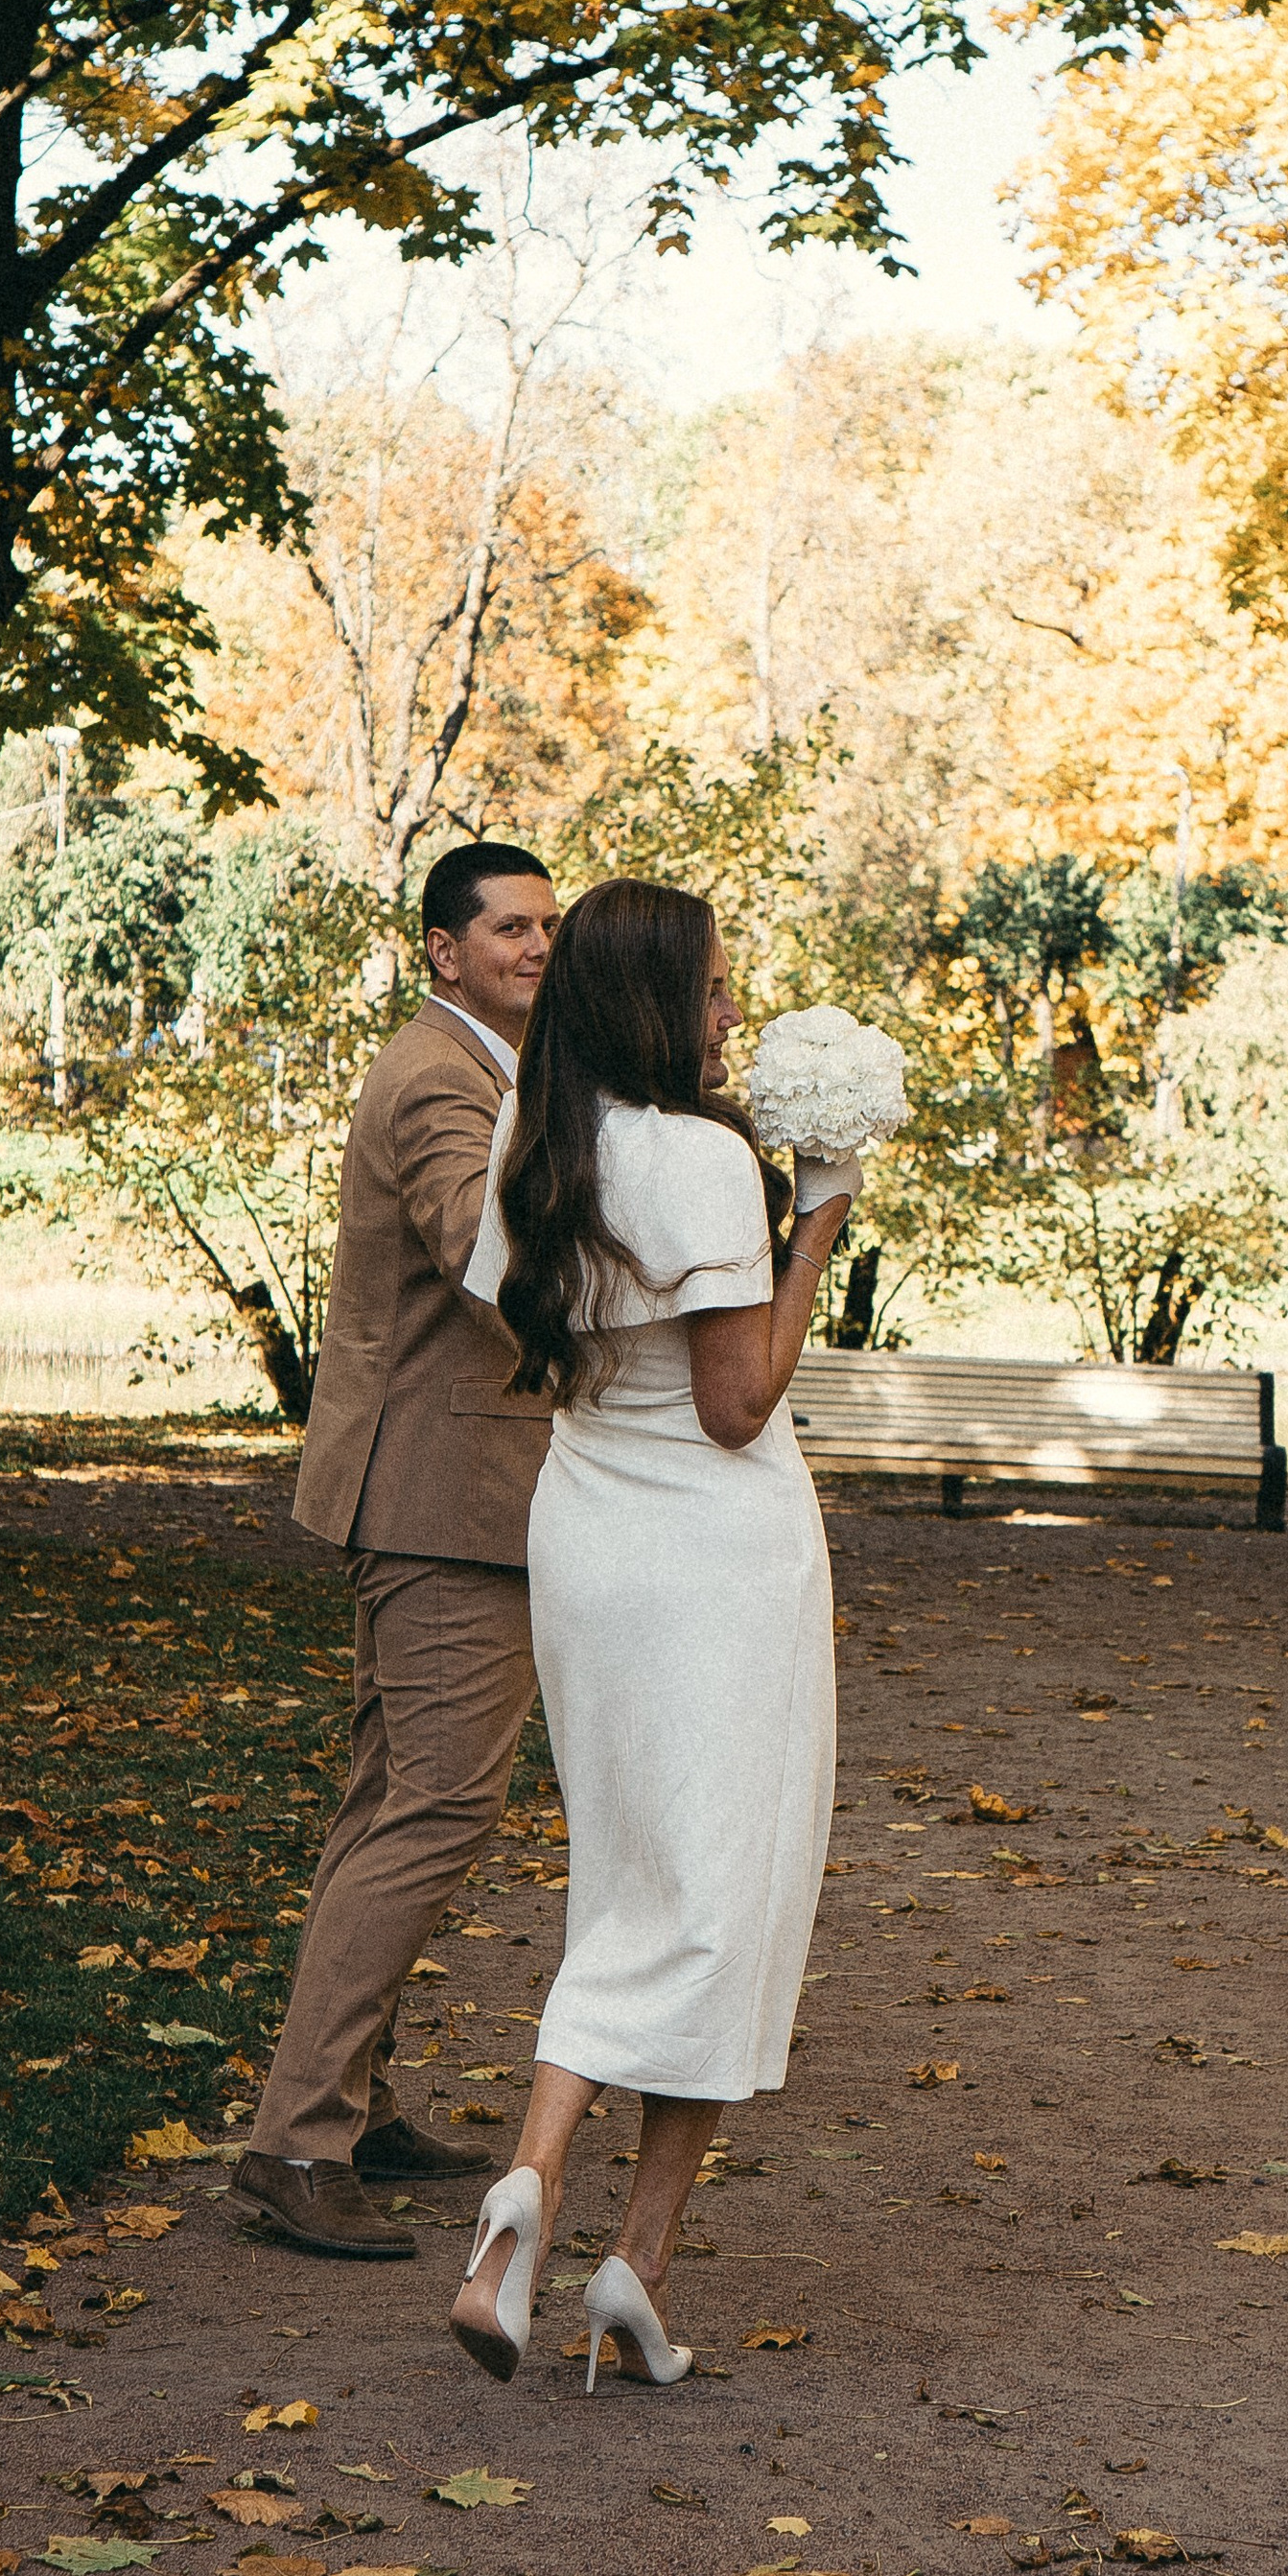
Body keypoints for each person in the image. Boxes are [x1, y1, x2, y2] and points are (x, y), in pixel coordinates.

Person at [445, 879, 857, 2389]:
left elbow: (537, 1345)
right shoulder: (698, 1159)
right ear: (653, 1003)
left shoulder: (536, 1141)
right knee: (727, 1888)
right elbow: (740, 1403)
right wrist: (816, 1220)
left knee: (629, 1878)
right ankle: (621, 2245)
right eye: (711, 988)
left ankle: (541, 2228)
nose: (730, 1010)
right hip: (712, 1554)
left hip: (589, 1529)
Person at [232, 841, 560, 2260]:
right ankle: (297, 2146)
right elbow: (490, 1261)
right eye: (508, 929)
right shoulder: (440, 1075)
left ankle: (344, 2108)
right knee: (432, 1812)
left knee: (388, 1809)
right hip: (443, 1503)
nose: (538, 948)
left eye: (551, 925)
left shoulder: (494, 1069)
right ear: (442, 949)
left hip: (445, 1493)